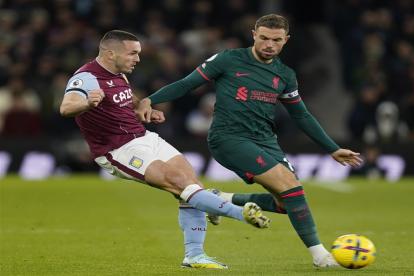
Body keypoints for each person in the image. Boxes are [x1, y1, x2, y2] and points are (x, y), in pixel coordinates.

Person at [140, 14, 363, 268]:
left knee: (284, 203)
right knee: (293, 187)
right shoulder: (228, 59)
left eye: (276, 40)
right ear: (254, 34)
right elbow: (187, 83)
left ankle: (216, 198)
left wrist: (332, 148)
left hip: (266, 141)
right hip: (229, 138)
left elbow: (301, 114)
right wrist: (150, 99)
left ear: (285, 40)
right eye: (265, 38)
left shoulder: (285, 74)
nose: (270, 44)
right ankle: (321, 257)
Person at [59, 30, 271, 270]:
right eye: (132, 53)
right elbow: (66, 107)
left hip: (144, 138)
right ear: (110, 53)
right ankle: (240, 212)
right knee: (179, 183)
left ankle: (195, 255)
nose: (138, 59)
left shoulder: (119, 75)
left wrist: (143, 110)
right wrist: (87, 102)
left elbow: (128, 101)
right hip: (117, 149)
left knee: (190, 183)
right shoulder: (87, 77)